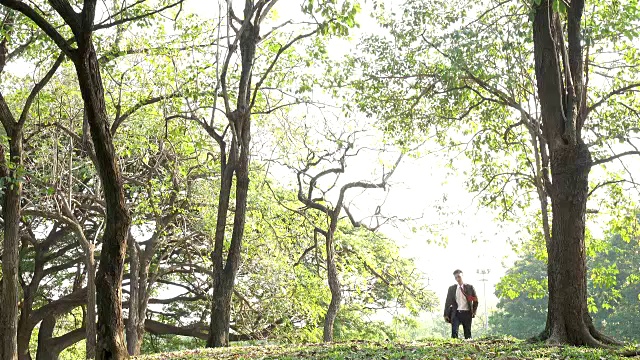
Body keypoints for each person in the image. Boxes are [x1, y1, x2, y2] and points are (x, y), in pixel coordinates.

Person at [443, 269, 479, 339]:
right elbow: (448, 302)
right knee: (454, 332)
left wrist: (474, 311)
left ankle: (468, 348)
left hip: (467, 313)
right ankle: (453, 348)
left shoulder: (469, 288)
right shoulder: (452, 289)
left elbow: (475, 300)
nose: (457, 279)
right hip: (456, 313)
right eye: (456, 277)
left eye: (459, 276)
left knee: (467, 334)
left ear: (462, 276)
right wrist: (445, 314)